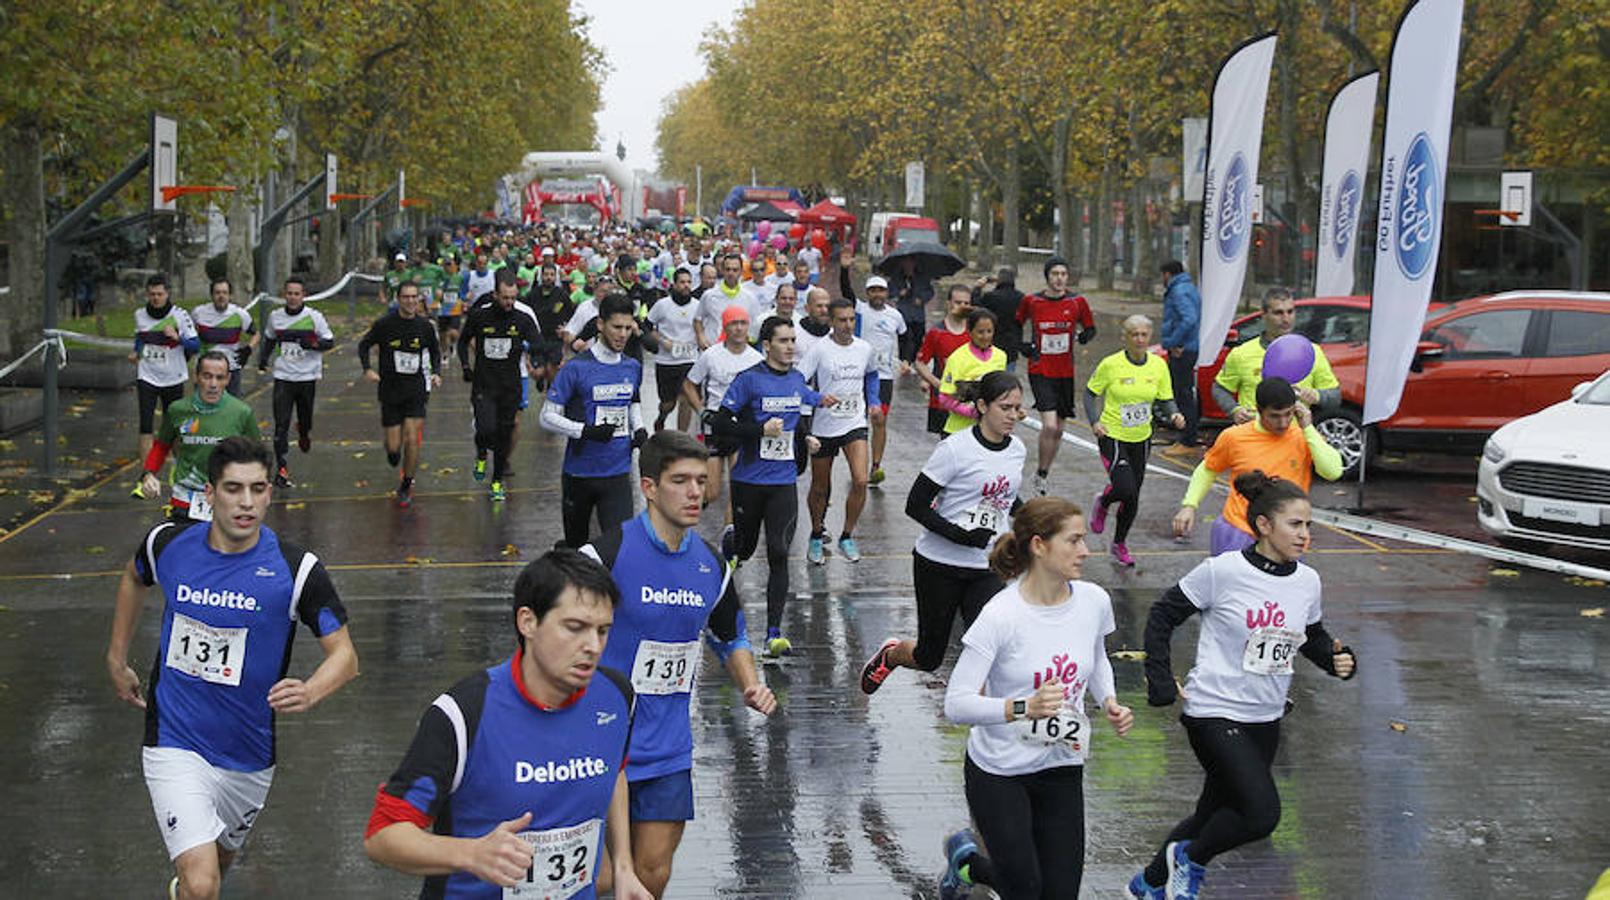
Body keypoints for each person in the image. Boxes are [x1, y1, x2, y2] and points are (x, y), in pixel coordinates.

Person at [105, 436, 358, 900]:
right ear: (209, 493)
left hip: (248, 755)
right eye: (234, 489)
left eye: (258, 489)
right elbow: (133, 575)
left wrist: (311, 690)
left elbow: (345, 656)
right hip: (174, 740)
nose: (246, 503)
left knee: (217, 865)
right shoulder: (169, 543)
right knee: (204, 885)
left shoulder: (296, 570)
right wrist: (116, 658)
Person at [364, 550, 654, 900]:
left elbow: (615, 772)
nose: (593, 646)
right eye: (575, 628)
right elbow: (383, 836)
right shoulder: (464, 713)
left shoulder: (617, 698)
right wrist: (470, 854)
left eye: (603, 630)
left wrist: (623, 866)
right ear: (527, 622)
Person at [1130, 473, 1356, 900]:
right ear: (1265, 525)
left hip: (1265, 716)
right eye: (1295, 525)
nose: (1305, 534)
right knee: (1261, 814)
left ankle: (1148, 884)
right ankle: (1190, 860)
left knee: (1213, 812)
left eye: (1309, 525)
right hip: (1214, 710)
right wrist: (1159, 678)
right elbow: (1162, 615)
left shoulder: (1307, 582)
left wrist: (1337, 661)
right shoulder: (1222, 572)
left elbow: (1311, 636)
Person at [581, 432, 777, 898]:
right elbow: (556, 630)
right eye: (681, 481)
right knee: (597, 878)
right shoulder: (604, 557)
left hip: (668, 747)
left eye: (702, 481)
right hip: (602, 742)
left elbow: (730, 633)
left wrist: (750, 683)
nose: (695, 492)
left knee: (653, 875)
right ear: (649, 487)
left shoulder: (711, 565)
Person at [937, 497, 1134, 900]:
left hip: (1062, 761)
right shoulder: (1000, 615)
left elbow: (1095, 657)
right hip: (999, 772)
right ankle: (972, 864)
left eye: (1084, 540)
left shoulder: (1093, 601)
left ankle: (968, 864)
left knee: (1060, 893)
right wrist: (1021, 707)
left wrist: (1109, 700)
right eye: (1074, 540)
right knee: (1025, 889)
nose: (1085, 551)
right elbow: (956, 703)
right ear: (1039, 546)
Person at [860, 372, 1026, 694]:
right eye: (1005, 407)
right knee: (930, 656)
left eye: (1017, 408)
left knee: (990, 649)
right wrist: (960, 535)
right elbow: (916, 505)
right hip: (939, 563)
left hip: (988, 566)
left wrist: (1034, 521)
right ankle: (891, 655)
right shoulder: (955, 449)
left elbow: (1006, 495)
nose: (1012, 416)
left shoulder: (1017, 449)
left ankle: (983, 722)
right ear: (982, 405)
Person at [710, 316, 835, 656]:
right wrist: (759, 431)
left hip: (782, 483)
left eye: (794, 340)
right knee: (747, 551)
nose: (791, 346)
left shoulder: (796, 379)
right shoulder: (748, 380)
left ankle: (773, 635)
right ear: (767, 345)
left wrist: (804, 438)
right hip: (748, 481)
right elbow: (719, 422)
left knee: (779, 553)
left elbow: (798, 412)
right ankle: (733, 541)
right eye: (784, 340)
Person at [1173, 377, 1344, 555]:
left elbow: (1332, 472)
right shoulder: (1234, 437)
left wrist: (1308, 427)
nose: (1283, 422)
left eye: (1288, 414)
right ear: (1259, 410)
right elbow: (1208, 469)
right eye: (1275, 416)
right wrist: (1189, 506)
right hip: (1239, 531)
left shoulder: (1303, 437)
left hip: (1285, 537)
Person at [541, 294, 648, 547]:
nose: (623, 334)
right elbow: (546, 416)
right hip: (580, 474)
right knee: (577, 548)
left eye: (627, 328)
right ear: (600, 324)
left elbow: (632, 401)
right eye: (616, 327)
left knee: (619, 546)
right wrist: (584, 431)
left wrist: (640, 428)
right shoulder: (575, 368)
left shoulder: (632, 367)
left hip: (618, 472)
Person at [1084, 315, 1185, 567]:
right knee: (1124, 487)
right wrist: (1095, 422)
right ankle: (1103, 501)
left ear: (1150, 337)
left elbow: (1165, 397)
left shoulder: (1158, 365)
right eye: (1134, 334)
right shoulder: (1111, 364)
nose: (1140, 339)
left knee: (1133, 496)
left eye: (1144, 334)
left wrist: (1174, 413)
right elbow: (1089, 393)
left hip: (1141, 437)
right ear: (1125, 338)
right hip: (1113, 434)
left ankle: (1119, 544)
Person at [799, 298, 881, 565]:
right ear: (832, 322)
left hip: (854, 422)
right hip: (824, 426)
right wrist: (816, 399)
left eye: (851, 320)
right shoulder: (819, 350)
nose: (847, 325)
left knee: (860, 480)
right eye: (842, 320)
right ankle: (815, 533)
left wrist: (875, 401)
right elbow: (798, 382)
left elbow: (871, 375)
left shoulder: (864, 348)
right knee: (821, 487)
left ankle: (847, 535)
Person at [139, 352, 261, 522]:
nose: (213, 384)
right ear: (196, 377)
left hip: (226, 499)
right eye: (207, 376)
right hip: (185, 498)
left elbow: (258, 456)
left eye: (220, 378)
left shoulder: (242, 413)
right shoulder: (177, 410)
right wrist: (148, 474)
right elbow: (161, 446)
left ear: (228, 379)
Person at [459, 271, 544, 502]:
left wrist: (536, 358)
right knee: (485, 429)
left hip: (510, 386)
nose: (509, 303)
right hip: (484, 385)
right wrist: (466, 366)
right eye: (505, 297)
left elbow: (538, 342)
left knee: (504, 435)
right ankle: (480, 452)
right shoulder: (479, 317)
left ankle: (497, 481)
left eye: (513, 298)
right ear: (495, 294)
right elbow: (463, 341)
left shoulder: (522, 319)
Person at [357, 280, 442, 508]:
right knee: (394, 447)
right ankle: (394, 455)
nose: (411, 301)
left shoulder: (425, 326)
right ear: (398, 299)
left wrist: (436, 373)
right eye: (406, 297)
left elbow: (435, 352)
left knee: (412, 438)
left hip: (415, 390)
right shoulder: (385, 325)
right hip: (390, 391)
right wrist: (367, 369)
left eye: (415, 297)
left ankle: (406, 483)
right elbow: (364, 345)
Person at [1017, 256, 1096, 497]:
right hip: (1040, 369)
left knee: (1059, 430)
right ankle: (1041, 471)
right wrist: (1024, 346)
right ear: (1047, 277)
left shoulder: (1077, 302)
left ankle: (1042, 473)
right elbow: (1015, 323)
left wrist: (1084, 336)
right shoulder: (1032, 301)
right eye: (1055, 274)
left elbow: (1090, 328)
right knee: (1049, 425)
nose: (1059, 278)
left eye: (1063, 274)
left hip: (1064, 371)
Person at [1212, 287, 1340, 424]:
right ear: (1264, 315)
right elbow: (1219, 389)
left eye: (1290, 312)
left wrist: (1317, 396)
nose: (1286, 319)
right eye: (1278, 313)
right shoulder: (1241, 354)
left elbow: (1335, 397)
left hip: (1293, 438)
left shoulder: (1312, 351)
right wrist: (1234, 410)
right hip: (1254, 436)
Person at [682, 306, 763, 512]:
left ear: (748, 327)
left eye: (742, 323)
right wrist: (701, 411)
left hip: (741, 428)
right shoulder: (711, 355)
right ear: (725, 327)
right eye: (733, 323)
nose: (738, 328)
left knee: (738, 489)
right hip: (715, 428)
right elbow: (688, 384)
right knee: (712, 492)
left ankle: (730, 540)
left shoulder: (757, 360)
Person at [258, 276, 333, 488]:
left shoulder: (314, 317)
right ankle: (282, 468)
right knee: (280, 424)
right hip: (283, 376)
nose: (292, 297)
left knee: (305, 417)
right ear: (284, 295)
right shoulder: (275, 317)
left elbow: (329, 341)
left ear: (303, 296)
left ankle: (303, 431)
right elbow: (270, 339)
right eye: (289, 293)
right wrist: (263, 360)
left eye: (296, 294)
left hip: (307, 376)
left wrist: (312, 344)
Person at [130, 273, 200, 496]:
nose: (156, 298)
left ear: (167, 293)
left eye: (160, 294)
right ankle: (146, 477)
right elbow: (140, 337)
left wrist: (177, 338)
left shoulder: (179, 315)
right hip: (147, 376)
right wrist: (137, 351)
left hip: (174, 377)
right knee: (145, 426)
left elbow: (196, 345)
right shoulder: (140, 314)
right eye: (152, 294)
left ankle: (179, 472)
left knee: (177, 427)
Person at [839, 266, 907, 487]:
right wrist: (844, 268)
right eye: (873, 290)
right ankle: (857, 464)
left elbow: (907, 338)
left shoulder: (895, 315)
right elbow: (846, 291)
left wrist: (907, 360)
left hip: (884, 377)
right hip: (859, 375)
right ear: (867, 293)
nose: (877, 294)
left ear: (886, 293)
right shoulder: (859, 309)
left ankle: (876, 465)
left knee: (879, 420)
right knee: (857, 421)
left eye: (881, 290)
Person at [919, 306, 1006, 435]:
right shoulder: (957, 358)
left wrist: (1012, 409)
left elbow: (1000, 393)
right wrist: (972, 412)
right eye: (980, 332)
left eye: (989, 331)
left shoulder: (1001, 356)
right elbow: (944, 398)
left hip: (990, 431)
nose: (985, 336)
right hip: (959, 431)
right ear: (969, 332)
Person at [913, 284, 974, 434]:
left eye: (966, 303)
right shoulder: (936, 333)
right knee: (947, 444)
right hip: (943, 401)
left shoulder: (974, 332)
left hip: (970, 401)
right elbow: (920, 362)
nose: (962, 306)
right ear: (948, 304)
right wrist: (936, 383)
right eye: (958, 302)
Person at [645, 268, 702, 432]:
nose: (686, 286)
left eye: (689, 282)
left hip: (690, 359)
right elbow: (647, 327)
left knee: (686, 399)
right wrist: (663, 341)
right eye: (682, 282)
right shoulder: (662, 305)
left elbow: (702, 328)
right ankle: (661, 417)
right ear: (674, 284)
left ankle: (681, 437)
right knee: (668, 403)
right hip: (666, 361)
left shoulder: (698, 306)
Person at [1159, 260, 1203, 456]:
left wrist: (1174, 342)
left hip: (1183, 349)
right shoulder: (1188, 288)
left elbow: (1189, 318)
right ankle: (1186, 436)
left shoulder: (1178, 291)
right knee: (1184, 393)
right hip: (1188, 347)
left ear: (1167, 274)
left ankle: (1188, 439)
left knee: (1182, 394)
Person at [191, 278, 257, 397]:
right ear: (212, 295)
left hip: (231, 369)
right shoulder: (199, 313)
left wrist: (248, 349)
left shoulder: (240, 314)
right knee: (203, 409)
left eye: (224, 293)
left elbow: (256, 334)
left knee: (232, 410)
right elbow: (190, 334)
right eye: (217, 293)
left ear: (230, 295)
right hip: (206, 370)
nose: (221, 296)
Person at [695, 254, 760, 351]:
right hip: (712, 349)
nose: (731, 273)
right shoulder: (709, 295)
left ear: (741, 271)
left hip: (738, 352)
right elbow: (698, 319)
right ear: (722, 270)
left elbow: (755, 325)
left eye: (735, 270)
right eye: (728, 269)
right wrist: (701, 337)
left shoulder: (750, 297)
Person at [972, 268, 1024, 373]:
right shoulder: (1021, 298)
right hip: (1012, 345)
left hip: (993, 343)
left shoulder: (990, 297)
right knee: (1008, 378)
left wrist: (977, 289)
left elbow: (975, 307)